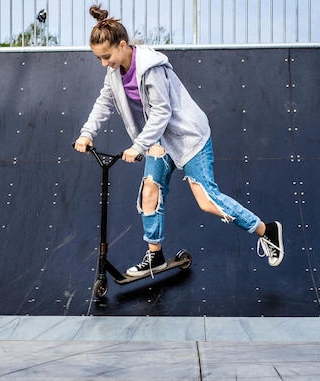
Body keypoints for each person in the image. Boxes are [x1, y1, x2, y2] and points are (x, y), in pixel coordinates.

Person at [74, 4, 284, 277]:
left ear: (123, 45)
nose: (104, 63)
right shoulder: (114, 73)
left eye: (106, 56)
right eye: (99, 59)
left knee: (207, 201)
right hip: (159, 139)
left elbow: (163, 111)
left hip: (188, 137)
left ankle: (266, 230)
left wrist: (138, 146)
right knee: (150, 190)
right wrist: (87, 132)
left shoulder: (151, 68)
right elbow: (105, 102)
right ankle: (155, 256)